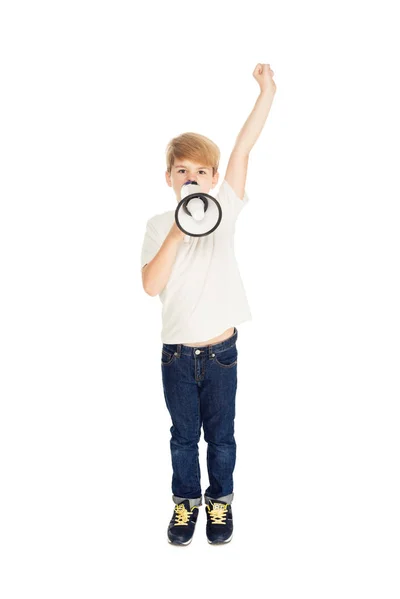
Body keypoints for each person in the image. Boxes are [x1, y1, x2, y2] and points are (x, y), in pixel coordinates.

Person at [140, 63, 276, 545]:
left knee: (220, 437)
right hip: (177, 355)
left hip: (220, 352)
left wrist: (266, 91)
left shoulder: (225, 212)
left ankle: (220, 502)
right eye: (183, 171)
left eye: (202, 171)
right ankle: (186, 504)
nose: (192, 177)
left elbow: (243, 148)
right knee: (182, 439)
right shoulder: (159, 225)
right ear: (170, 178)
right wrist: (177, 233)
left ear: (214, 178)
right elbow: (151, 285)